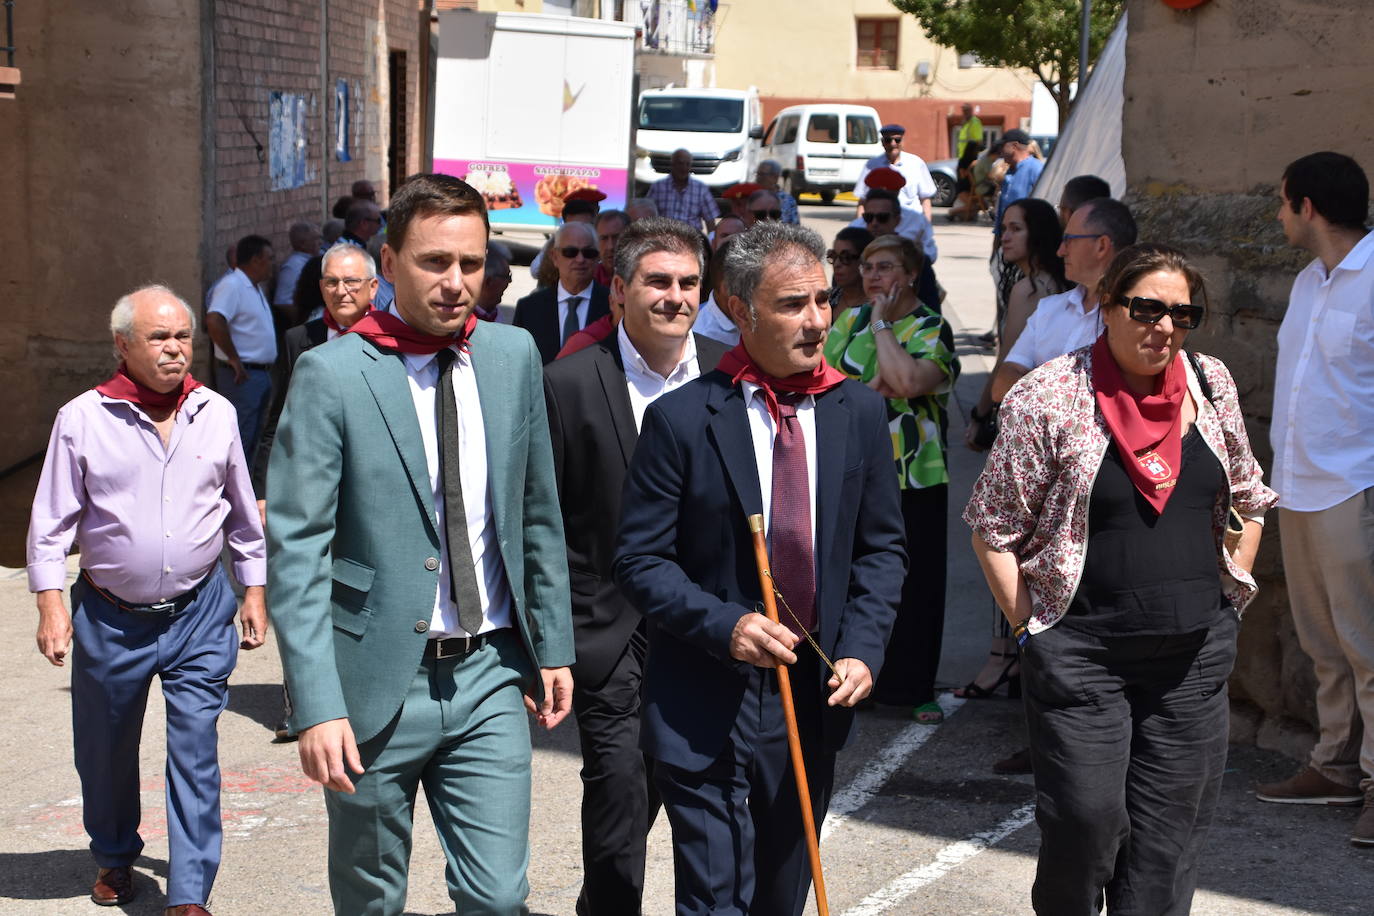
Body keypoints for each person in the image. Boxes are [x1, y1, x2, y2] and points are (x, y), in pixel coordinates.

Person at [266, 173, 574, 914]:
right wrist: (315, 702)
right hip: (374, 686)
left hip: (490, 673)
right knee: (372, 900)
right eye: (435, 262)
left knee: (500, 898)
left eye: (471, 264)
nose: (456, 282)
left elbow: (536, 508)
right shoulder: (331, 374)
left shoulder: (511, 356)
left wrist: (553, 642)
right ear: (389, 260)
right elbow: (297, 550)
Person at [964, 243, 1277, 914]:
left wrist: (1232, 594)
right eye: (1146, 308)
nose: (1163, 327)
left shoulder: (1210, 382)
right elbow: (993, 528)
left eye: (1182, 314)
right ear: (1108, 305)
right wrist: (1030, 627)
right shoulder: (1050, 395)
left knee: (1167, 846)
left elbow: (1250, 495)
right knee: (1085, 823)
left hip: (1192, 658)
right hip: (1082, 655)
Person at [613, 221, 905, 916]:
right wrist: (727, 625)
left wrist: (863, 650)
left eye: (824, 301)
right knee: (715, 897)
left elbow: (880, 550)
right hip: (705, 691)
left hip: (812, 692)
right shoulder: (683, 419)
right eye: (791, 305)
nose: (816, 322)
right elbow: (639, 559)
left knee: (781, 892)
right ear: (739, 310)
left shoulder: (858, 411)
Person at [28, 285, 267, 916]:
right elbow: (51, 523)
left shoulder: (215, 411)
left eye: (183, 336)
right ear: (123, 345)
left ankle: (189, 894)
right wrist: (52, 605)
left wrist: (254, 590)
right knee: (104, 750)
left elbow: (242, 513)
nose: (174, 349)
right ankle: (113, 852)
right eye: (158, 337)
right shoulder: (81, 418)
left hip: (198, 613)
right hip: (110, 617)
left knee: (195, 751)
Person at [544, 217, 730, 915]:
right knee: (619, 789)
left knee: (690, 793)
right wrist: (555, 638)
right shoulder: (567, 383)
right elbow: (548, 517)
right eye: (657, 281)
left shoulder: (725, 373)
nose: (675, 296)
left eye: (688, 283)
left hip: (707, 628)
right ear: (619, 290)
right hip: (610, 628)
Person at [1256, 151, 1374, 847]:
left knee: (1367, 645)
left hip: (1355, 484)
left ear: (1309, 207)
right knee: (1323, 641)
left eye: (1282, 201)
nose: (1278, 214)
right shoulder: (1308, 281)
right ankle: (1333, 764)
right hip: (1297, 484)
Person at [825, 234, 959, 723]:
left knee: (916, 581)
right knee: (854, 570)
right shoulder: (847, 319)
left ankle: (911, 687)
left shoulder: (930, 326)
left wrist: (882, 326)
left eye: (884, 267)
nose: (872, 276)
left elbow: (902, 384)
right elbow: (830, 382)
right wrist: (875, 383)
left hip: (914, 474)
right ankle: (856, 676)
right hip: (852, 463)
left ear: (909, 274)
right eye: (866, 266)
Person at [253, 242, 378, 504]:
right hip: (314, 482)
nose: (341, 291)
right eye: (332, 282)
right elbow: (277, 419)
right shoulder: (298, 340)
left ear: (373, 287)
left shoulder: (391, 341)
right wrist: (263, 492)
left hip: (374, 482)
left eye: (351, 281)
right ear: (321, 288)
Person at [985, 197, 1138, 409]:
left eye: (1069, 239)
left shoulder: (1136, 318)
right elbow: (1001, 385)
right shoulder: (1049, 308)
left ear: (1102, 246)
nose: (1061, 251)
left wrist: (1032, 381)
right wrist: (1072, 393)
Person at [964, 198, 1068, 458]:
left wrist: (980, 413)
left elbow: (1007, 361)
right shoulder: (1056, 280)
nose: (1005, 237)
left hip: (1029, 416)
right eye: (1003, 229)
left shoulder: (1030, 289)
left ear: (1038, 233)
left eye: (1016, 229)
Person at [206, 233, 277, 460]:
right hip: (242, 375)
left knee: (253, 438)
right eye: (269, 258)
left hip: (259, 373)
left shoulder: (252, 286)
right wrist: (233, 358)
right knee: (240, 439)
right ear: (256, 260)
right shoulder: (232, 285)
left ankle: (247, 492)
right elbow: (215, 320)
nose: (272, 264)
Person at [515, 221, 612, 364]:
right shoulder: (529, 308)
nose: (580, 259)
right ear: (554, 257)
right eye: (570, 252)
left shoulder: (614, 306)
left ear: (597, 258)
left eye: (588, 253)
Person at [854, 123, 936, 222]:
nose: (893, 144)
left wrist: (926, 226)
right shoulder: (872, 165)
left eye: (897, 140)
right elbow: (862, 201)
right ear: (882, 142)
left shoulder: (916, 164)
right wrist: (861, 228)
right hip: (881, 224)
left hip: (911, 224)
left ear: (903, 141)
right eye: (888, 140)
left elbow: (925, 199)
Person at [646, 148, 718, 233]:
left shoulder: (701, 189)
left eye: (687, 164)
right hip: (664, 238)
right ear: (672, 164)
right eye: (680, 163)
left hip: (691, 239)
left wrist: (712, 242)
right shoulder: (658, 187)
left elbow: (710, 221)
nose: (684, 168)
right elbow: (647, 216)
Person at [993, 129, 1046, 241]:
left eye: (1002, 147)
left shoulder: (1035, 169)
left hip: (1028, 241)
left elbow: (1043, 208)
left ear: (1014, 146)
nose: (1000, 152)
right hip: (1007, 239)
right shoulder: (1010, 170)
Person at [274, 221, 321, 324]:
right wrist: (303, 321)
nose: (320, 242)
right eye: (315, 239)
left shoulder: (312, 260)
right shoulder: (293, 266)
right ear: (302, 244)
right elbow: (283, 302)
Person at [827, 226, 873, 316]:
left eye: (846, 257)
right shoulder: (827, 300)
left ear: (864, 261)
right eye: (833, 256)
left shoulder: (879, 307)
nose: (836, 264)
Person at [474, 241, 515, 323]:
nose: (510, 281)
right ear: (488, 281)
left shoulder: (496, 315)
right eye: (507, 276)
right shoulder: (462, 323)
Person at [947, 141, 985, 223]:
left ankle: (962, 215)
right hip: (963, 188)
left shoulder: (976, 159)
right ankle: (952, 212)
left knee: (978, 205)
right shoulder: (963, 161)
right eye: (976, 150)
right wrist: (970, 167)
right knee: (971, 206)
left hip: (972, 187)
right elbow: (963, 175)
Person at [755, 158, 800, 224]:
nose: (758, 178)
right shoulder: (752, 196)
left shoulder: (787, 200)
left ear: (775, 177)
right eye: (757, 174)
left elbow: (795, 225)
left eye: (762, 174)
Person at [593, 208, 630, 287]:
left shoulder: (641, 278)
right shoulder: (588, 279)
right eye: (604, 238)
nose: (610, 246)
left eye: (616, 237)